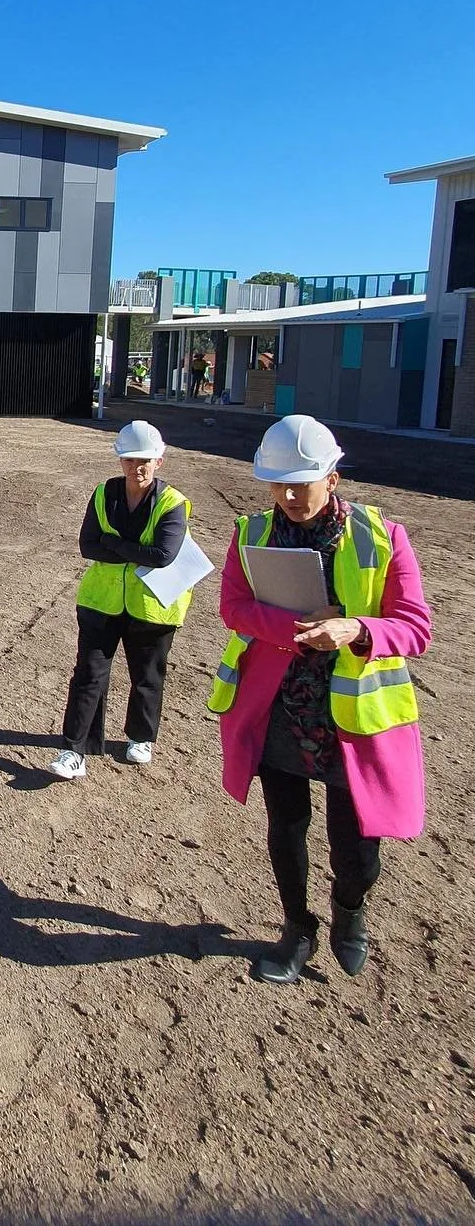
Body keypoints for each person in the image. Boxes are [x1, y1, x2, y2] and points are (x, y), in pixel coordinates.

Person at [209, 415, 431, 982]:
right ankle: (296, 930)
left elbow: (415, 627)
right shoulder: (251, 532)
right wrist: (296, 628)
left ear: (331, 478)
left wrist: (355, 628)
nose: (287, 497)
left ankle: (349, 910)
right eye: (277, 485)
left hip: (352, 721)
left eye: (299, 485)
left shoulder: (382, 537)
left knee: (355, 848)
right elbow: (233, 606)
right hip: (280, 709)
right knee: (285, 827)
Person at [50, 420, 196, 780]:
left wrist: (112, 544)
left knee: (147, 676)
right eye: (130, 460)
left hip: (153, 607)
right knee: (88, 675)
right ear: (121, 461)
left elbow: (163, 555)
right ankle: (74, 749)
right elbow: (87, 546)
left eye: (145, 460)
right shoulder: (104, 494)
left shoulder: (174, 503)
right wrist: (134, 551)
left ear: (159, 461)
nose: (138, 467)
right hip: (101, 602)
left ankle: (141, 737)